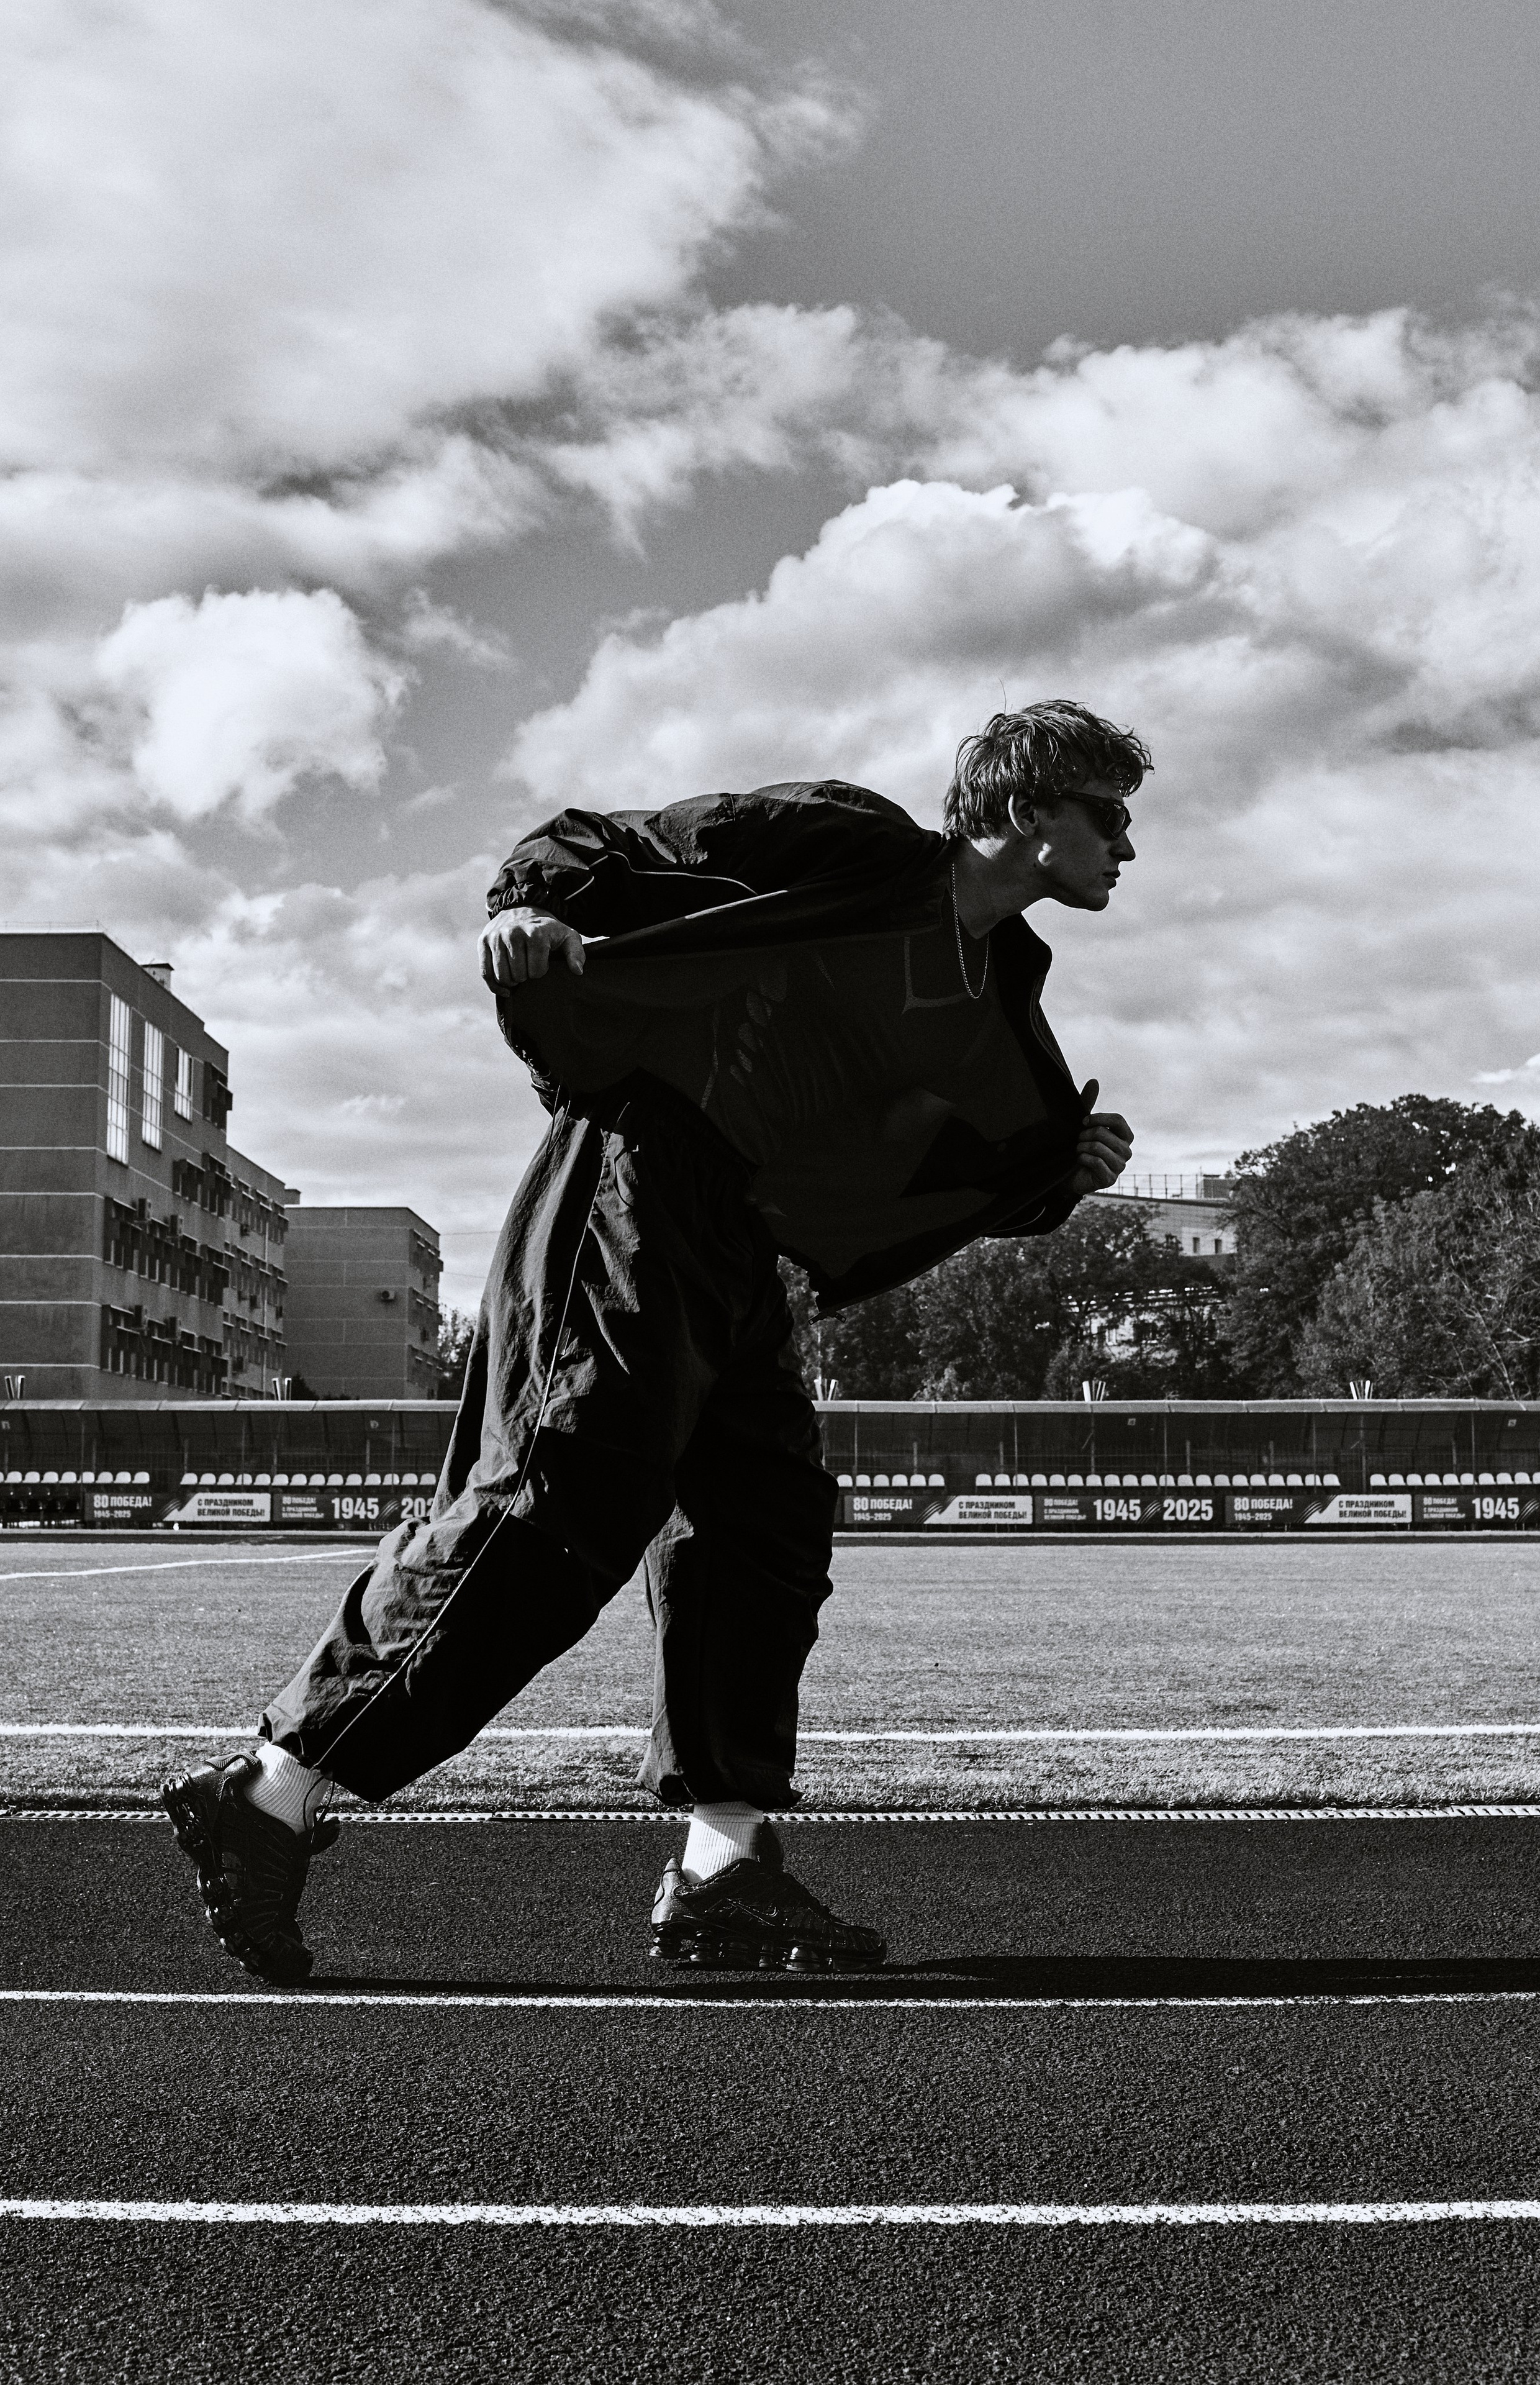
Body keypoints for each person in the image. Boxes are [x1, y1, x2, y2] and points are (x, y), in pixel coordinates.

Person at [161, 697, 1144, 1983]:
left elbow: (939, 1161)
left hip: (742, 1240)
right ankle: (271, 1787)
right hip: (636, 1176)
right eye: (1107, 816)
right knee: (562, 1499)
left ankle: (723, 1868)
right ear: (1023, 812)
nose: (1126, 846)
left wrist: (1058, 1170)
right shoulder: (849, 842)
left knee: (765, 1530)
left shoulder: (1002, 980)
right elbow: (607, 839)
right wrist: (530, 906)